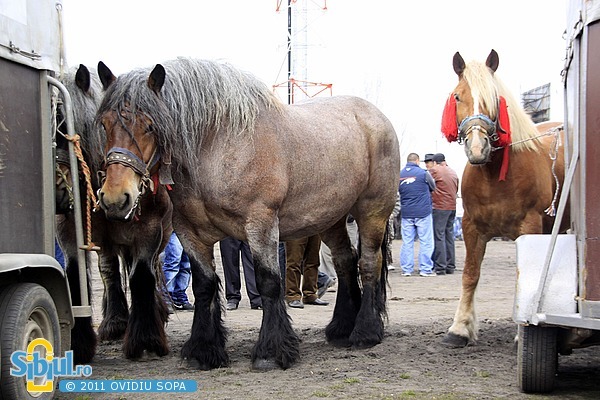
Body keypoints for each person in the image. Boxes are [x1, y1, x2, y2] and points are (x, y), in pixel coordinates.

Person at [398, 153, 436, 277]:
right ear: (417, 161)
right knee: (425, 241)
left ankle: (407, 269)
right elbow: (433, 187)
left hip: (406, 213)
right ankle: (425, 269)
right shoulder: (424, 173)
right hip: (423, 212)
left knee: (407, 242)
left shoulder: (399, 175)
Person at [429, 153, 459, 275]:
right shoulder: (453, 171)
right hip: (452, 206)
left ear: (435, 162)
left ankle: (440, 266)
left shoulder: (434, 170)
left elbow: (428, 185)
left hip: (440, 206)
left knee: (439, 236)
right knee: (449, 235)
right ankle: (450, 265)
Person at [285, 234, 329, 308]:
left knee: (313, 261)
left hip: (315, 226)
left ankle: (310, 294)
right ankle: (292, 295)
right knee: (294, 262)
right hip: (296, 227)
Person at [219, 237, 262, 310]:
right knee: (230, 263)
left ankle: (256, 298)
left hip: (249, 229)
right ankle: (232, 297)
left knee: (252, 262)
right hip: (228, 229)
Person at [162, 232, 194, 310]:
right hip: (173, 228)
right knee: (173, 262)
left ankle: (179, 296)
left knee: (186, 264)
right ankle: (166, 297)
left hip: (187, 228)